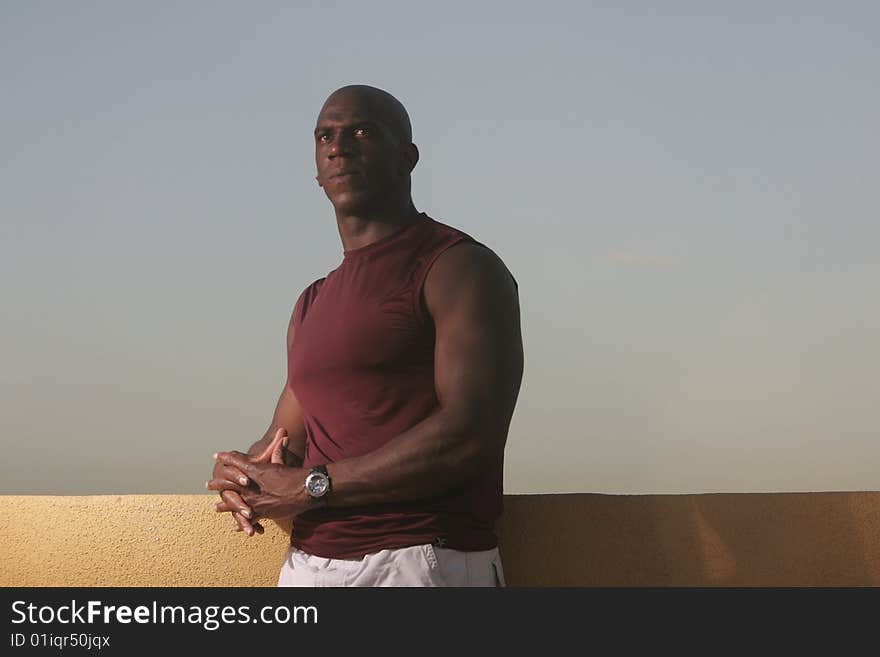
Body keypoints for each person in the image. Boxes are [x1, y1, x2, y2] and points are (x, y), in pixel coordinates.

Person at [207, 84, 523, 587]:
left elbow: (470, 435)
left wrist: (312, 487)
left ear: (407, 157)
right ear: (316, 170)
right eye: (325, 136)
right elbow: (285, 440)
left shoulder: (458, 268)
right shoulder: (311, 302)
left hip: (420, 558)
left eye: (361, 131)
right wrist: (246, 476)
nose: (339, 146)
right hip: (311, 566)